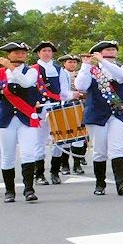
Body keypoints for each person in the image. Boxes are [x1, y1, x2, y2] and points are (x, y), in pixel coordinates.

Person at [0, 42, 41, 202]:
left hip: (26, 118)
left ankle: (29, 190)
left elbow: (26, 83)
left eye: (23, 53)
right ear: (9, 54)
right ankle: (9, 191)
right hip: (6, 119)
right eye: (16, 53)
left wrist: (11, 68)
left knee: (28, 153)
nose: (20, 55)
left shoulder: (32, 71)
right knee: (8, 156)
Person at [75, 41, 123, 196]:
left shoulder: (122, 68)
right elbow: (80, 85)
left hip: (117, 113)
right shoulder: (92, 71)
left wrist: (103, 61)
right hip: (96, 113)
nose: (112, 52)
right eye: (108, 49)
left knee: (116, 148)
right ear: (98, 52)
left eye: (114, 49)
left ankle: (121, 184)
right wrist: (85, 65)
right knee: (100, 151)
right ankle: (100, 183)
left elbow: (122, 77)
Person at [31, 41, 77, 185]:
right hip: (39, 110)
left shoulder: (59, 70)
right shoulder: (33, 70)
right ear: (39, 53)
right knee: (39, 142)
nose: (47, 53)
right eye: (44, 50)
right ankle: (39, 174)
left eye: (49, 51)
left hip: (57, 108)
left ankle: (55, 172)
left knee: (60, 141)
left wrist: (72, 95)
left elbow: (63, 91)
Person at [57, 54, 86, 175]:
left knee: (78, 136)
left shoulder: (81, 74)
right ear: (64, 63)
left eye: (74, 62)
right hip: (63, 106)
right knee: (65, 138)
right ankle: (64, 164)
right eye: (70, 62)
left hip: (79, 106)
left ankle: (77, 164)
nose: (72, 64)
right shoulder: (59, 74)